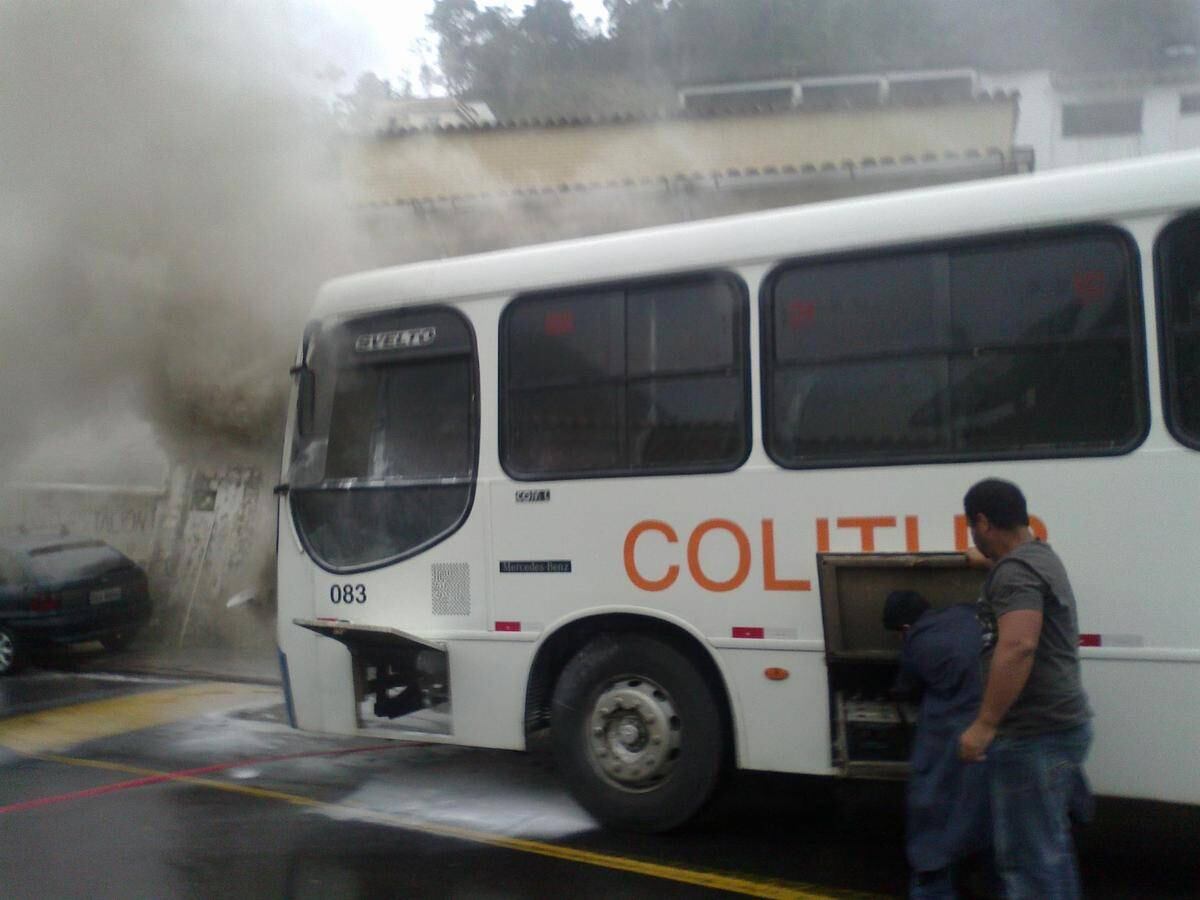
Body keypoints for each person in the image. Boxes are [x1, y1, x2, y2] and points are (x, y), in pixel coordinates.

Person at [958, 478, 1093, 899]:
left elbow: (1018, 646)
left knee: (1028, 863)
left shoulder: (1015, 573)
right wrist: (990, 565)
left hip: (1033, 736)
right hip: (1062, 725)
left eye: (971, 526)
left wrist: (984, 724)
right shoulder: (1040, 558)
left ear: (982, 522)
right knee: (1049, 851)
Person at [884, 590, 991, 899]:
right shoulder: (965, 610)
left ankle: (933, 883)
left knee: (931, 801)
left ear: (903, 629)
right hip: (1000, 718)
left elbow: (906, 688)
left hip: (959, 728)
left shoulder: (917, 641)